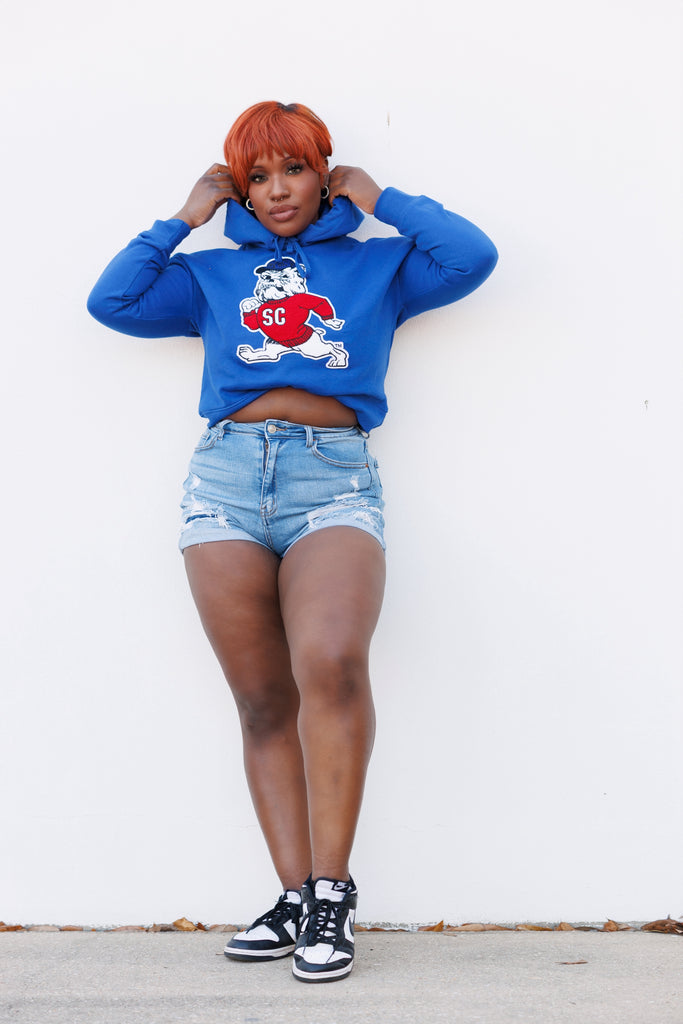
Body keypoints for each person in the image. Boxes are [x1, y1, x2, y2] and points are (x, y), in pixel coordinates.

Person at [87, 100, 497, 982]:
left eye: (295, 169)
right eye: (258, 176)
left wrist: (381, 199)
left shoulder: (381, 263)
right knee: (263, 700)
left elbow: (472, 257)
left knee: (332, 662)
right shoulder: (210, 274)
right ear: (239, 189)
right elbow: (111, 301)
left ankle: (333, 894)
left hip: (332, 478)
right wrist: (183, 218)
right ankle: (294, 897)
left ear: (324, 173)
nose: (278, 190)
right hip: (224, 482)